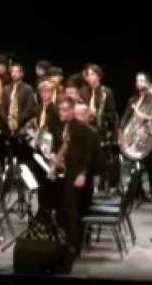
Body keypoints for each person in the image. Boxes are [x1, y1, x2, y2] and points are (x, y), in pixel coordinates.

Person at [54, 97, 96, 254]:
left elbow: (88, 154)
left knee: (73, 212)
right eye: (60, 109)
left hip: (77, 173)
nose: (61, 112)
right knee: (65, 209)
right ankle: (68, 241)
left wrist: (83, 174)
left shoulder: (82, 128)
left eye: (64, 110)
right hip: (66, 172)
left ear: (72, 111)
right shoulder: (65, 127)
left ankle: (74, 246)